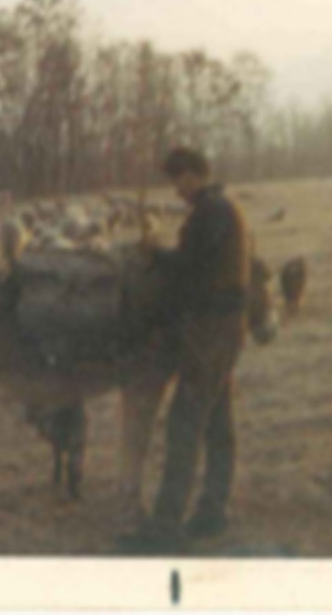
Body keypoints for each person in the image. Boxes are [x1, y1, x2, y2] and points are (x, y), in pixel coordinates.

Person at [119, 146, 252, 553]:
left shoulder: (211, 212)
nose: (177, 190)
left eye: (179, 180)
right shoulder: (226, 206)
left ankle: (164, 528)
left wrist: (154, 253)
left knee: (184, 423)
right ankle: (213, 511)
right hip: (225, 329)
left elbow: (187, 268)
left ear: (194, 173)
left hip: (209, 331)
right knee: (217, 422)